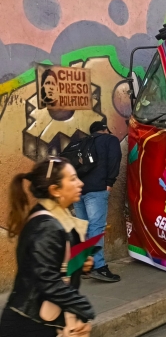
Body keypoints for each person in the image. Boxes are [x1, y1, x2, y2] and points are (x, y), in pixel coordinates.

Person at [1, 158, 94, 336]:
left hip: (43, 319)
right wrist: (85, 311)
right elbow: (48, 280)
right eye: (73, 179)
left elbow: (54, 263)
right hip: (28, 325)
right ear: (55, 190)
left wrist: (80, 264)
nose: (80, 183)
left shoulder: (59, 217)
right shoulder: (47, 225)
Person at [73, 121, 122, 282]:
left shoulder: (81, 142)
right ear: (105, 129)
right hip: (97, 189)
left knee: (83, 228)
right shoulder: (110, 140)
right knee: (96, 227)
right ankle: (98, 266)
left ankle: (84, 266)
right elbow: (115, 159)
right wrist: (110, 182)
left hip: (77, 190)